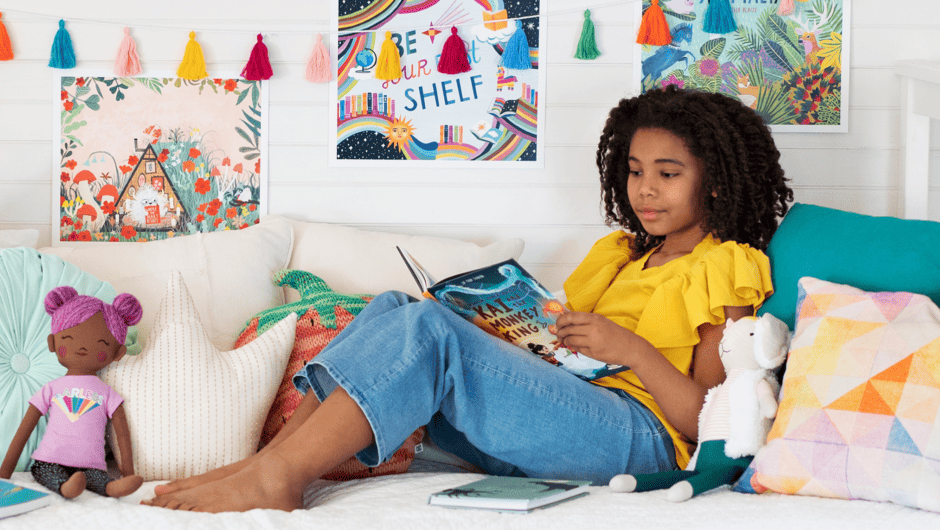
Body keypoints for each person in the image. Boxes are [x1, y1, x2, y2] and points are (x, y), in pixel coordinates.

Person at [144, 85, 793, 513]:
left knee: (427, 331)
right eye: (634, 170)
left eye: (669, 174)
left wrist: (630, 349)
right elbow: (557, 359)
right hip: (572, 409)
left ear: (715, 181)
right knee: (395, 310)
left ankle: (275, 478)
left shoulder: (726, 267)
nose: (646, 190)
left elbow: (705, 420)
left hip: (640, 436)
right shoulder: (617, 256)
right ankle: (268, 464)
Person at [0, 286, 144, 499]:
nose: (84, 347)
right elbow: (24, 429)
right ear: (53, 343)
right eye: (69, 339)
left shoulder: (107, 393)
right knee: (44, 471)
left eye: (101, 344)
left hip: (91, 465)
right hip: (49, 459)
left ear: (118, 353)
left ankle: (112, 488)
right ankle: (66, 487)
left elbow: (123, 435)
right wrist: (5, 473)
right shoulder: (51, 388)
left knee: (97, 477)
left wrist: (128, 473)